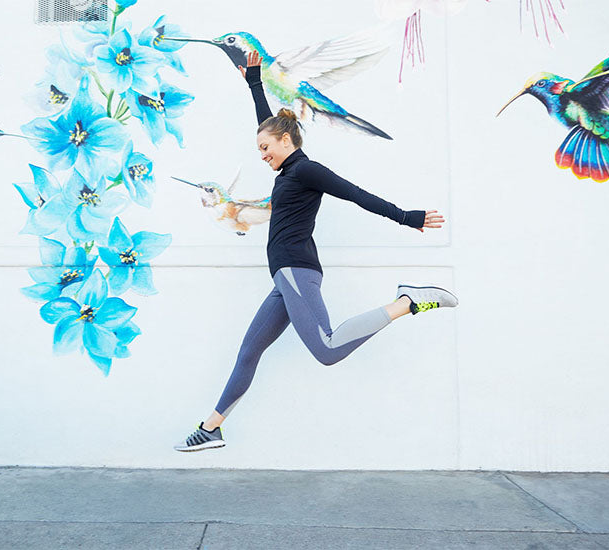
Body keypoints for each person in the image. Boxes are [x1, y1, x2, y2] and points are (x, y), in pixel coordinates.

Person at [174, 51, 457, 452]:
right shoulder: (289, 170)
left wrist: (406, 217)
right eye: (258, 148)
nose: (262, 154)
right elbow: (266, 123)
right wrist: (254, 82)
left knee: (326, 349)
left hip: (295, 269)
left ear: (286, 141)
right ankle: (211, 428)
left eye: (265, 147)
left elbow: (355, 194)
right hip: (285, 278)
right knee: (249, 350)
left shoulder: (306, 170)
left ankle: (407, 301)